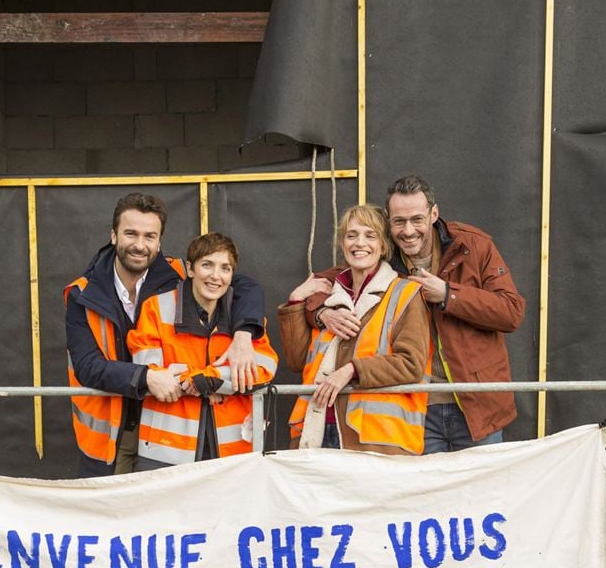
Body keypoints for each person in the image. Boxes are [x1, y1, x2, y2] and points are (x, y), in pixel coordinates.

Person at [309, 175, 525, 452]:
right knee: (426, 495)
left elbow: (511, 311)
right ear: (388, 220)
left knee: (482, 494)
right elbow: (324, 284)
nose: (408, 231)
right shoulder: (384, 255)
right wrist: (320, 311)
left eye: (417, 219)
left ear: (434, 214)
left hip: (476, 408)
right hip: (416, 408)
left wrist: (449, 295)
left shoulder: (473, 245)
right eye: (399, 221)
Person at [64, 193, 266, 478]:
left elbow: (244, 286)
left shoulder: (180, 272)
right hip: (115, 427)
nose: (139, 245)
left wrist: (245, 334)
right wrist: (145, 377)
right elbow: (87, 366)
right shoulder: (83, 293)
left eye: (149, 236)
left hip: (167, 425)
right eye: (130, 233)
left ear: (159, 242)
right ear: (113, 235)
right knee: (115, 513)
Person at [281, 204, 431, 455]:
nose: (359, 243)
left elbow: (411, 364)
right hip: (317, 431)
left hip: (378, 440)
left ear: (383, 246)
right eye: (351, 235)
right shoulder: (327, 298)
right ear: (342, 244)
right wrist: (296, 301)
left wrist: (351, 370)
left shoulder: (405, 293)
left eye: (370, 235)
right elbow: (298, 362)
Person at [126, 233, 277, 469]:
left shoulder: (246, 317)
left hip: (234, 449)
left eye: (225, 268)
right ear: (190, 269)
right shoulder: (156, 308)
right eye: (207, 265)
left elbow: (265, 367)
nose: (216, 276)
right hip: (167, 448)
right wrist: (201, 381)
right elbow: (150, 369)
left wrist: (211, 380)